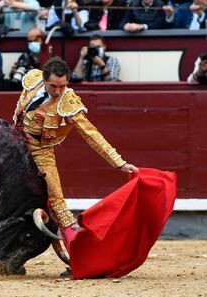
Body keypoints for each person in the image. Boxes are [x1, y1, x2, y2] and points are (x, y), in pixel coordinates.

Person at [13, 56, 138, 276]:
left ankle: (79, 262)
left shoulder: (68, 102)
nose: (59, 91)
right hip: (14, 148)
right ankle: (11, 259)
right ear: (44, 80)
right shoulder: (32, 79)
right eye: (54, 86)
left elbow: (91, 134)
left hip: (41, 153)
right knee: (9, 202)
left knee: (59, 206)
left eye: (63, 86)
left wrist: (118, 163)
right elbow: (18, 116)